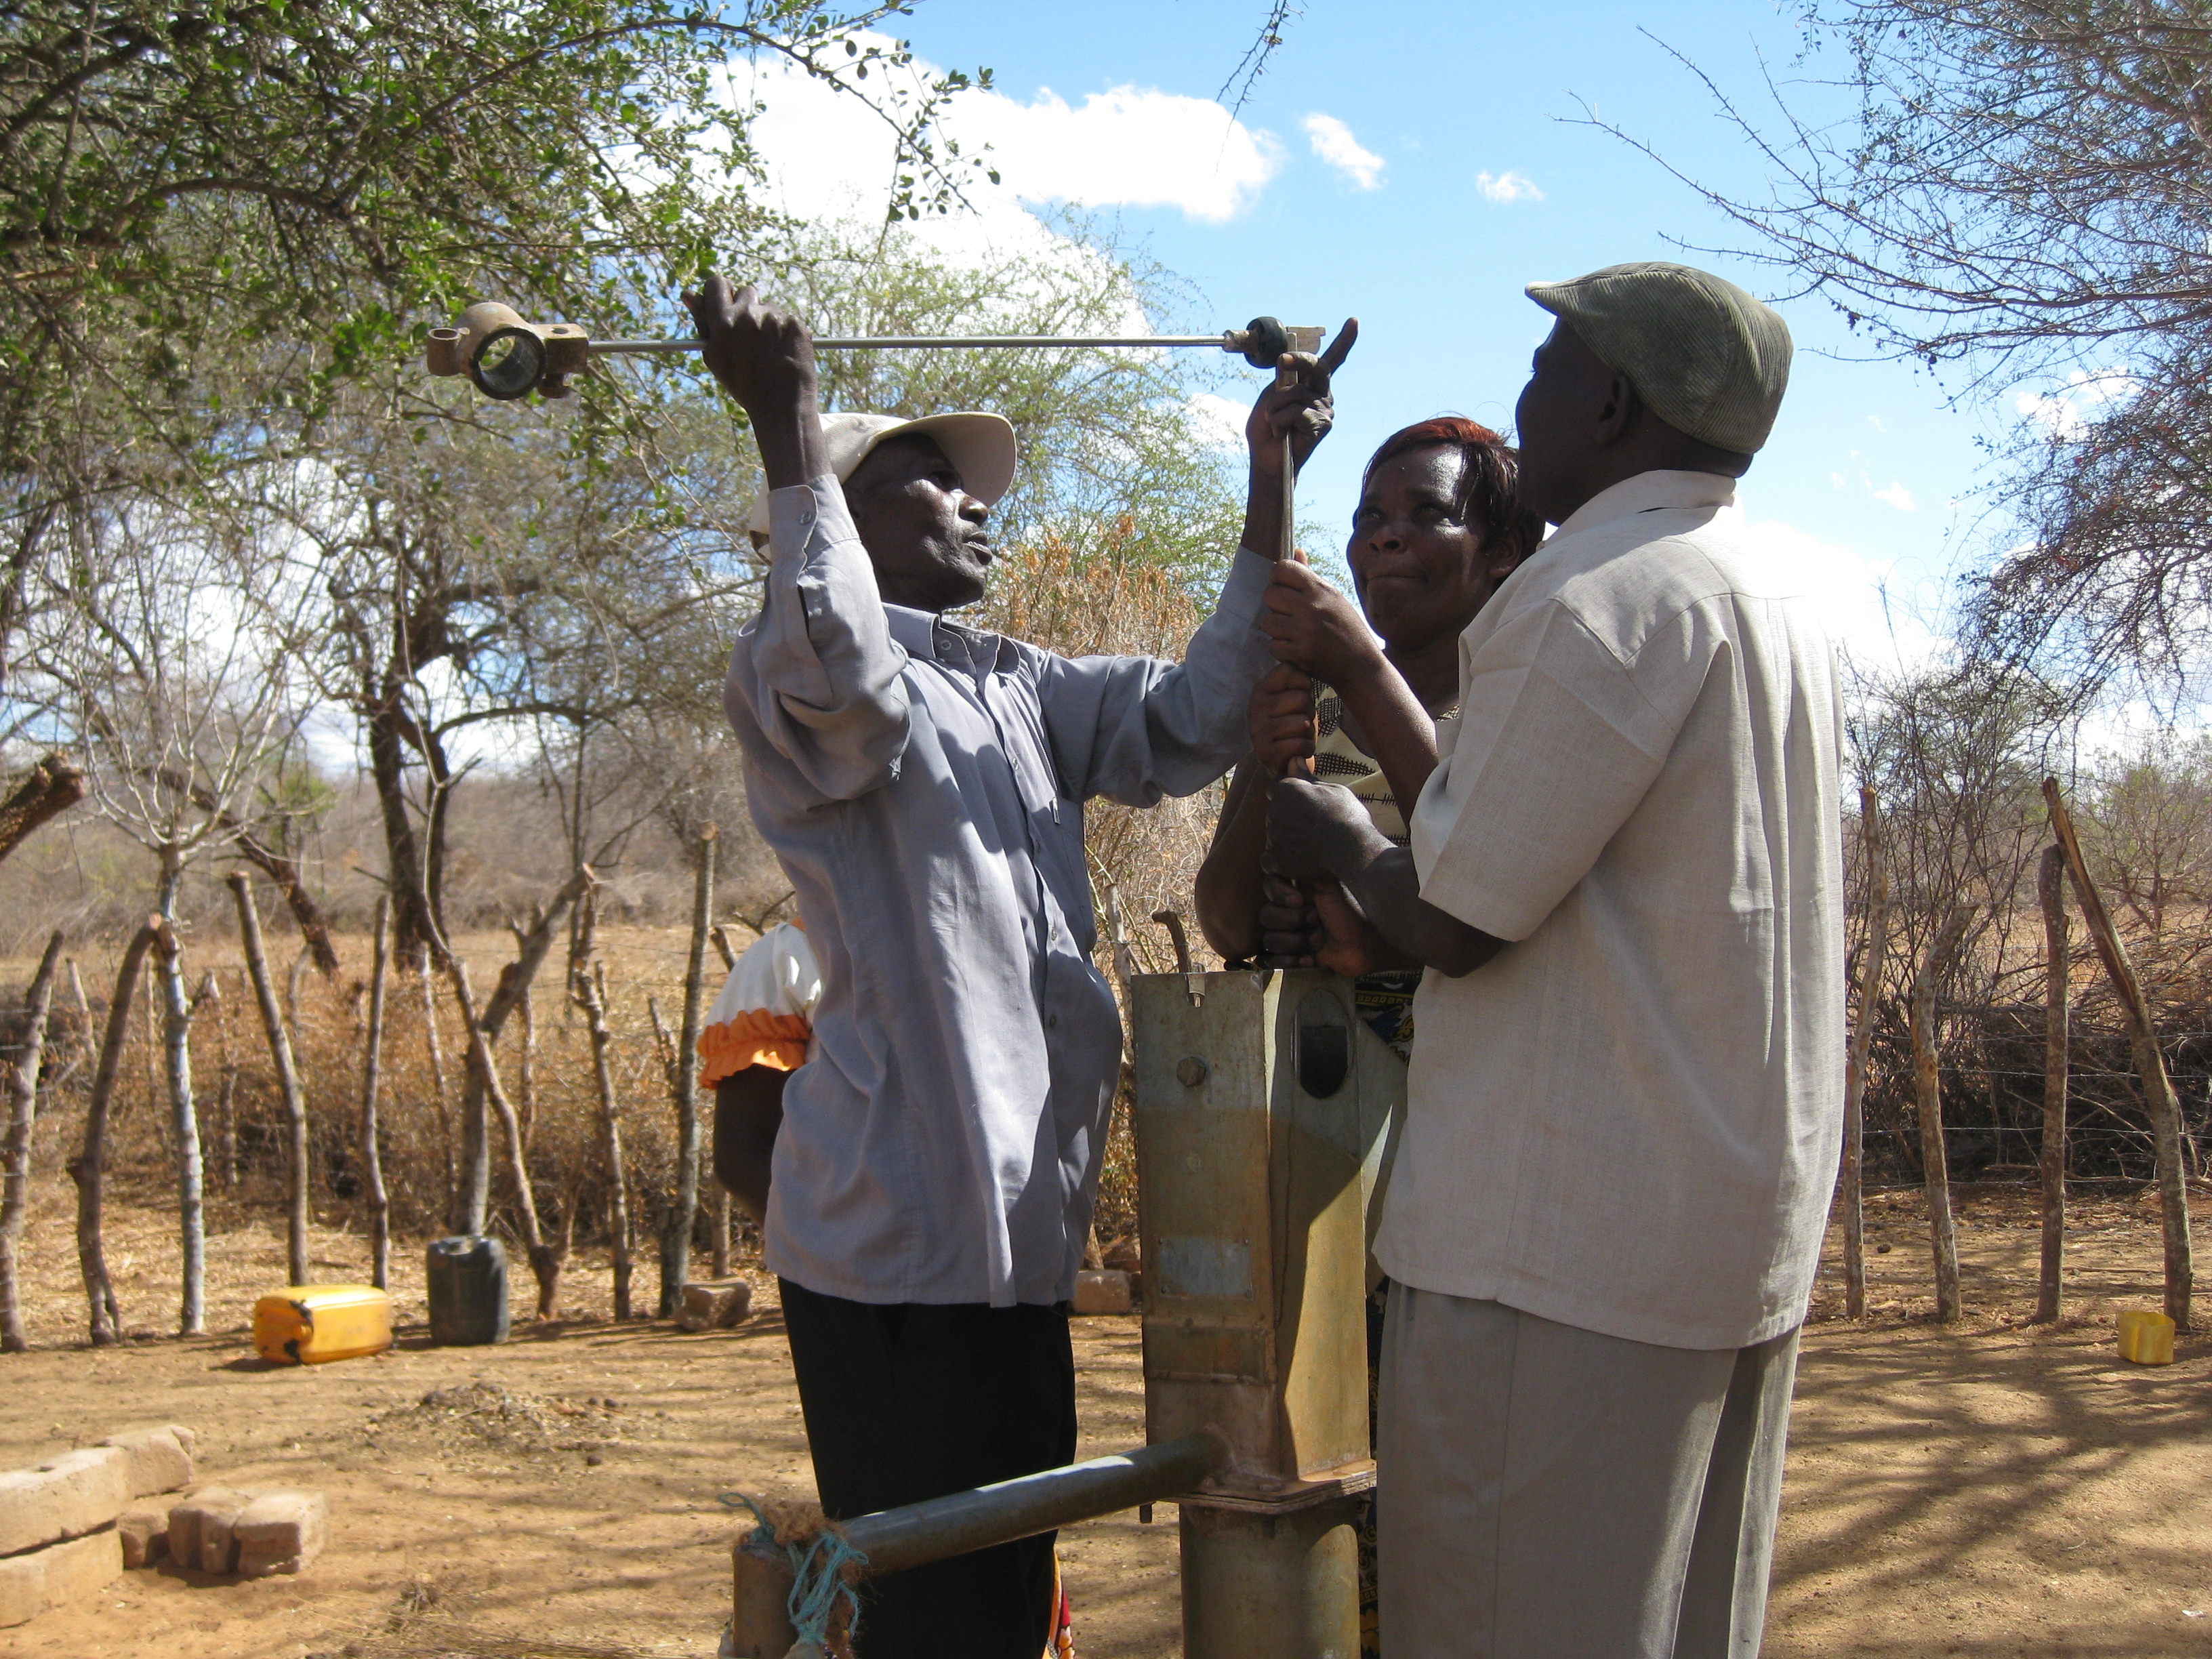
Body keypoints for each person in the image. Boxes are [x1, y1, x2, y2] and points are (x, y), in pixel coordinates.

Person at [684, 272, 1352, 1659]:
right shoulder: (795, 672)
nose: (973, 500)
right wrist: (786, 424)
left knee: (993, 1594)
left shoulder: (1017, 684)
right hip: (893, 1250)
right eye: (928, 480)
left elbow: (1196, 716)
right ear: (844, 519)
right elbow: (845, 680)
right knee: (936, 1612)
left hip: (1009, 1244)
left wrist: (1269, 479)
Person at [1263, 262, 1841, 1658]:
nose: (1528, 398)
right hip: (1715, 1229)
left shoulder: (1596, 596)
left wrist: (1343, 837)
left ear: (1616, 402)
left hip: (1560, 1253)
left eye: (1548, 367)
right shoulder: (1762, 587)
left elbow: (1461, 914)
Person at [1194, 415, 1542, 1054]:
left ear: (1504, 551)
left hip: (1466, 1086)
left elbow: (1474, 885)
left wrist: (1359, 666)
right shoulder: (1308, 700)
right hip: (1313, 1095)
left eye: (1429, 513)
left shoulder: (1516, 705)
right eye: (1369, 519)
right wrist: (1274, 777)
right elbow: (1226, 925)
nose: (1385, 538)